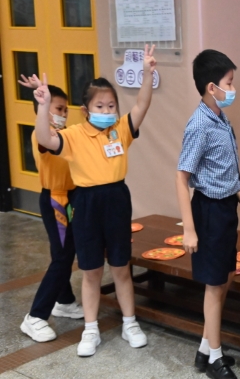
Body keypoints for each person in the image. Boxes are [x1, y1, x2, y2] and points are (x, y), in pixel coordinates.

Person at [33, 45, 158, 357]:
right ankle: (90, 329)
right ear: (85, 110)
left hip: (117, 199)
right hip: (86, 202)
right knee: (90, 270)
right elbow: (45, 139)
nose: (106, 110)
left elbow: (142, 105)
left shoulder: (121, 129)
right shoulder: (74, 135)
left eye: (111, 105)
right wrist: (43, 106)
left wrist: (147, 74)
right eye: (99, 105)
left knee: (120, 266)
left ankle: (130, 323)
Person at [176, 49, 240, 379]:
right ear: (212, 87)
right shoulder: (199, 126)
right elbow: (181, 178)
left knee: (226, 275)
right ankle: (215, 358)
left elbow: (226, 169)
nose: (232, 89)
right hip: (208, 211)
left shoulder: (220, 117)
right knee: (214, 284)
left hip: (226, 208)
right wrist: (190, 229)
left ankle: (206, 347)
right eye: (229, 83)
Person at [19, 75, 83, 342]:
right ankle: (35, 316)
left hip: (71, 197)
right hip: (56, 200)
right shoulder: (41, 135)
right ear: (43, 110)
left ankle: (64, 300)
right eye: (58, 109)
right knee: (62, 257)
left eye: (65, 109)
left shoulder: (66, 134)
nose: (63, 114)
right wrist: (43, 102)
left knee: (64, 252)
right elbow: (45, 135)